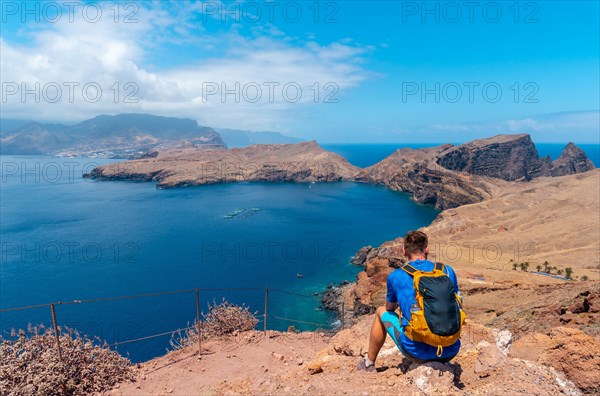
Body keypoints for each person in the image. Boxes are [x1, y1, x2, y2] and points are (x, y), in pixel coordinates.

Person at [357, 230, 463, 372]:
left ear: (404, 251)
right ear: (427, 249)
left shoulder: (396, 276)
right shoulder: (447, 271)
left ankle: (368, 364)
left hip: (416, 353)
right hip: (451, 350)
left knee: (380, 311)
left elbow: (390, 308)